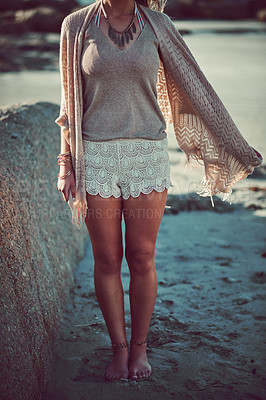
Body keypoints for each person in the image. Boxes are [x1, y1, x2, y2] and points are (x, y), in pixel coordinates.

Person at [56, 0, 263, 382]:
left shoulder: (159, 25)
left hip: (147, 155)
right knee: (106, 260)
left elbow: (196, 84)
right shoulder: (75, 27)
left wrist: (233, 143)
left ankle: (140, 348)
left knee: (142, 256)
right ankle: (118, 349)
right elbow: (69, 105)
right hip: (95, 156)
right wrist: (66, 165)